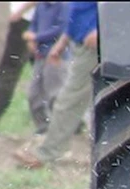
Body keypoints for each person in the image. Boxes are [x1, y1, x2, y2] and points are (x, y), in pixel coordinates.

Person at [13, 2, 98, 169]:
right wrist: (62, 43)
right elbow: (78, 12)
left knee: (68, 100)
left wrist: (100, 30)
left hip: (94, 44)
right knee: (70, 99)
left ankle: (46, 153)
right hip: (80, 43)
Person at [0, 2, 37, 134]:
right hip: (31, 19)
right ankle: (73, 121)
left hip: (25, 20)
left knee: (9, 70)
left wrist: (20, 12)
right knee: (46, 71)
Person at [23, 2, 71, 135]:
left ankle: (62, 129)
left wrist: (36, 37)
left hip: (56, 55)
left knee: (55, 94)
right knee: (34, 94)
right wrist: (31, 38)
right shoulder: (41, 6)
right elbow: (34, 24)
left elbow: (62, 29)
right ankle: (43, 127)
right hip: (40, 55)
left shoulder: (63, 6)